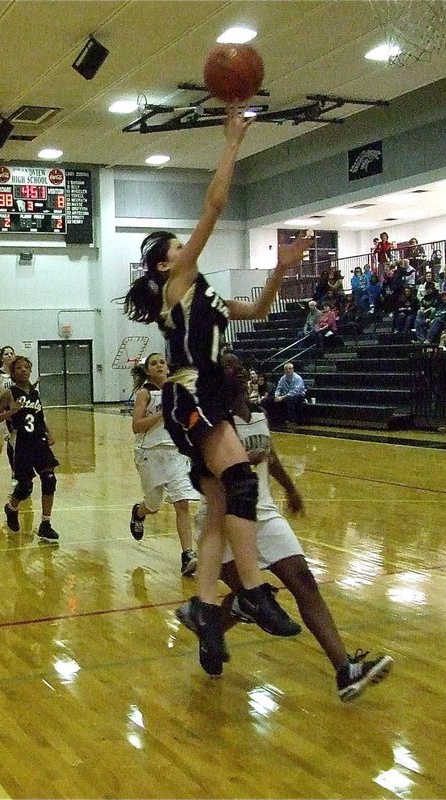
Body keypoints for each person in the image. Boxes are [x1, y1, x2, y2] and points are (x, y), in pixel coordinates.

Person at [121, 108, 312, 677]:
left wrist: (280, 269)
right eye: (180, 247)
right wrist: (232, 141)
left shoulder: (202, 292)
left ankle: (206, 607)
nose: (189, 249)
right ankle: (252, 588)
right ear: (165, 263)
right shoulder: (175, 286)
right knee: (242, 482)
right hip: (190, 392)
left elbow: (255, 309)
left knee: (220, 507)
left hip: (198, 398)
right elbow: (215, 205)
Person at [177, 353, 393, 701]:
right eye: (228, 366)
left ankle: (345, 670)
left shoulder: (259, 413)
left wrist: (291, 488)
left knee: (304, 581)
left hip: (264, 511)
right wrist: (240, 462)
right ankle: (210, 630)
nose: (238, 371)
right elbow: (208, 472)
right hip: (227, 517)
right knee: (249, 598)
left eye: (240, 366)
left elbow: (271, 455)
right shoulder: (213, 421)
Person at [128, 353, 199, 576]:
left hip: (175, 452)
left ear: (168, 368)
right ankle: (138, 513)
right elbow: (136, 426)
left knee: (182, 502)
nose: (159, 365)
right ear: (147, 371)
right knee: (154, 505)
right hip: (150, 453)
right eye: (154, 363)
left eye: (162, 362)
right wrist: (162, 412)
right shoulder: (144, 393)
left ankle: (188, 553)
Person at [0, 356, 60, 541]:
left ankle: (46, 524)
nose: (23, 370)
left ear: (30, 370)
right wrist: (11, 411)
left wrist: (49, 432)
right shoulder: (9, 393)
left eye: (26, 367)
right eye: (19, 368)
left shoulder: (35, 394)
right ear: (13, 373)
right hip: (21, 443)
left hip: (40, 441)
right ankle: (11, 508)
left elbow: (39, 416)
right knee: (25, 487)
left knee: (50, 479)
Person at [272, 362, 306, 427]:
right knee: (272, 399)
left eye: (290, 369)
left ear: (293, 369)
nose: (288, 370)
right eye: (286, 369)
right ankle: (278, 420)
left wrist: (283, 397)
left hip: (298, 395)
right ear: (284, 370)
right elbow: (279, 388)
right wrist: (276, 396)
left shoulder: (298, 378)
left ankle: (293, 420)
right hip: (285, 395)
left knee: (289, 399)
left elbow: (295, 391)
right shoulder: (282, 378)